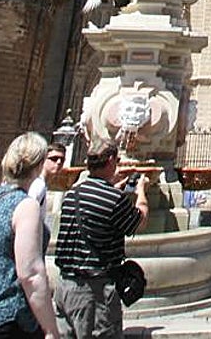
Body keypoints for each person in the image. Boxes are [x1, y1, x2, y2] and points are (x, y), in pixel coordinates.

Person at [0, 133, 60, 339]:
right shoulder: (25, 205)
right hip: (7, 322)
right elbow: (31, 274)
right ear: (40, 165)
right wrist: (51, 330)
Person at [52, 139, 149, 338]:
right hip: (94, 291)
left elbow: (95, 211)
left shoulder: (72, 195)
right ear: (112, 160)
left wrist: (112, 187)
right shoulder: (115, 199)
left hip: (64, 287)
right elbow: (140, 222)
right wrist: (141, 193)